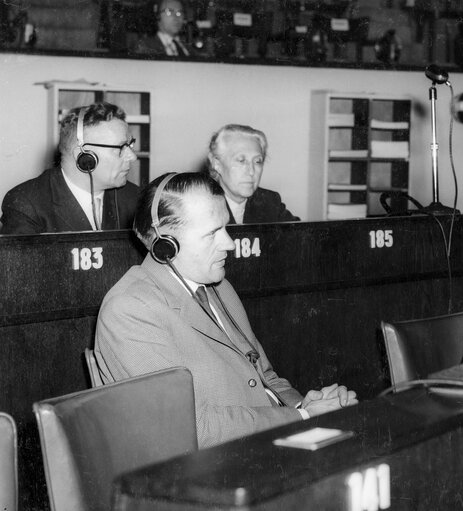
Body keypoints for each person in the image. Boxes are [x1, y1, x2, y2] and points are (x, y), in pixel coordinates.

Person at [94, 172, 355, 448]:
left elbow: (263, 377)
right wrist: (302, 416)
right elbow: (188, 427)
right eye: (212, 233)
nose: (229, 243)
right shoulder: (130, 310)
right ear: (165, 245)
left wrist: (305, 403)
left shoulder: (219, 288)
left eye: (226, 228)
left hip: (256, 447)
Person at [0, 102, 139, 234]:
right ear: (85, 157)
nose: (132, 157)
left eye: (130, 145)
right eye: (121, 148)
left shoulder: (135, 198)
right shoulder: (27, 203)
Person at [206, 124, 300, 224]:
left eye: (257, 161)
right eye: (241, 161)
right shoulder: (201, 206)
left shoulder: (269, 202)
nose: (251, 171)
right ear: (217, 164)